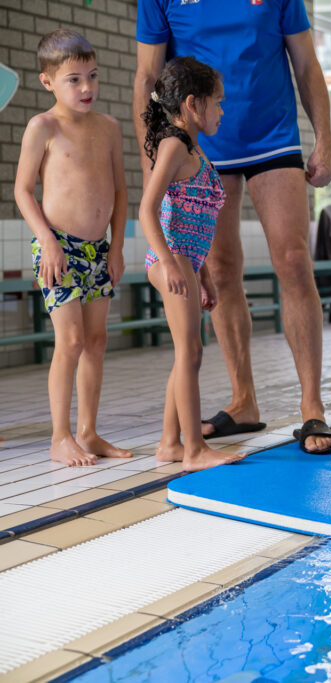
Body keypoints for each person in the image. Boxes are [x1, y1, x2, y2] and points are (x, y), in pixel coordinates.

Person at [134, 0, 331, 454]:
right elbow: (147, 78)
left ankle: (312, 406)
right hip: (202, 142)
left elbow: (306, 63)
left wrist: (324, 139)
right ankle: (242, 400)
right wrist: (154, 156)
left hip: (273, 134)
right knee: (220, 268)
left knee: (293, 259)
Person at [13, 30, 133, 467]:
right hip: (57, 248)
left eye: (93, 77)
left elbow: (121, 192)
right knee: (72, 340)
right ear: (48, 82)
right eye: (74, 79)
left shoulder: (109, 128)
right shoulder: (42, 127)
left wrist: (116, 247)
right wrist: (46, 239)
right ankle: (60, 437)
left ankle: (89, 432)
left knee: (97, 341)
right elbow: (23, 191)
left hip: (97, 249)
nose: (87, 88)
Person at [140, 57, 244, 472]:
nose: (222, 110)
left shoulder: (192, 146)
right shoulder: (174, 145)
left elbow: (192, 215)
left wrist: (202, 274)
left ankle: (170, 444)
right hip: (173, 258)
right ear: (192, 104)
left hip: (187, 260)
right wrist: (168, 263)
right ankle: (194, 449)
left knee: (190, 353)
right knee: (190, 351)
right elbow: (148, 209)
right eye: (218, 102)